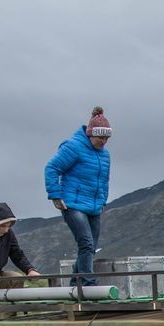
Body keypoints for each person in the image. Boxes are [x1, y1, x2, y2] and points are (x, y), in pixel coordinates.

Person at [45, 106, 112, 286]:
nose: (104, 141)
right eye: (100, 137)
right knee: (86, 243)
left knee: (90, 248)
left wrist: (103, 199)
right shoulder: (73, 147)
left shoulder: (105, 155)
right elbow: (52, 168)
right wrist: (55, 195)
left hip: (94, 205)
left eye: (107, 138)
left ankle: (76, 283)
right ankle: (88, 283)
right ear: (90, 134)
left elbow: (104, 179)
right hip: (72, 204)